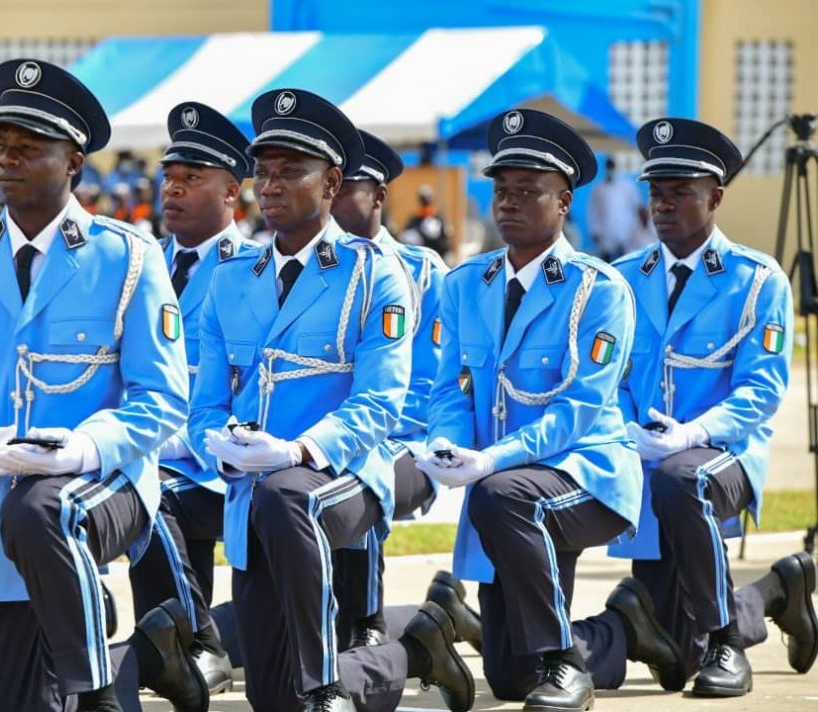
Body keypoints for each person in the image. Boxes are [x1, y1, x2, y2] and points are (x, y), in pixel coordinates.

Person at [0, 58, 200, 712]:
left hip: (100, 486)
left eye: (29, 148)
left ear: (72, 162)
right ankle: (109, 645)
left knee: (45, 509)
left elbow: (163, 398)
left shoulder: (129, 259)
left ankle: (97, 690)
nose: (7, 161)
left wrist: (82, 448)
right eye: (0, 147)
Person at [189, 87, 474, 712]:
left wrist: (297, 448)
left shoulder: (374, 272)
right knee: (271, 697)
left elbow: (380, 398)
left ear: (332, 183)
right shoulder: (230, 280)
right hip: (253, 490)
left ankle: (326, 691)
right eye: (264, 172)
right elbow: (204, 402)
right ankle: (414, 649)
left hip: (343, 473)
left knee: (290, 496)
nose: (270, 185)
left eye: (292, 171)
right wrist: (226, 447)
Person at [417, 108, 642, 712]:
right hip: (508, 486)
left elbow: (581, 410)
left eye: (528, 190)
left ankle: (565, 662)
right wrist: (447, 445)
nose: (509, 202)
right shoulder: (465, 282)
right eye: (502, 189)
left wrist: (488, 460)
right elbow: (449, 388)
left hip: (587, 476)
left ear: (564, 200)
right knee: (512, 678)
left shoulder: (599, 291)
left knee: (501, 496)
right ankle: (623, 629)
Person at [607, 117, 814, 695]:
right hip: (646, 462)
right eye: (656, 192)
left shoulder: (756, 280)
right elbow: (614, 378)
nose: (664, 205)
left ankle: (729, 644)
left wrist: (691, 432)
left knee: (683, 478)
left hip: (724, 458)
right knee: (676, 648)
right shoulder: (624, 279)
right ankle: (777, 591)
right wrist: (629, 429)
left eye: (681, 192)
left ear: (715, 197)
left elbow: (762, 389)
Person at [328, 128, 481, 652]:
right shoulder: (313, 271)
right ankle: (432, 618)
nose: (333, 199)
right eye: (330, 187)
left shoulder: (419, 271)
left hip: (405, 443)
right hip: (329, 435)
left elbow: (434, 384)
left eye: (346, 187)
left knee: (360, 470)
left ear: (378, 196)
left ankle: (369, 622)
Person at [126, 101, 256, 697]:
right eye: (169, 178)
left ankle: (197, 643)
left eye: (191, 180)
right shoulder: (141, 264)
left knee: (150, 497)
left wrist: (182, 436)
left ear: (232, 192)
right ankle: (157, 641)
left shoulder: (255, 270)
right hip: (156, 450)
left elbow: (251, 384)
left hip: (221, 461)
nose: (172, 191)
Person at [586, 157, 642, 262]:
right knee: (606, 263)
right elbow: (593, 211)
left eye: (612, 166)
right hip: (605, 232)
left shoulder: (628, 186)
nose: (610, 169)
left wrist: (634, 230)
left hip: (625, 232)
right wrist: (595, 230)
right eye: (609, 166)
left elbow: (637, 208)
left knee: (625, 262)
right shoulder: (599, 188)